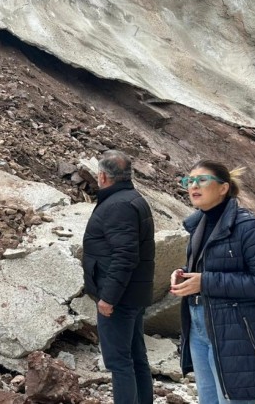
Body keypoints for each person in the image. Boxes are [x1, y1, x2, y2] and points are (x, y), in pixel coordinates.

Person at [170, 161, 255, 403]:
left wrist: (205, 282)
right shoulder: (198, 224)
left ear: (223, 188)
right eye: (189, 181)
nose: (193, 186)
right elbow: (215, 268)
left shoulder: (249, 227)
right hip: (199, 324)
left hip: (235, 329)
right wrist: (185, 273)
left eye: (202, 180)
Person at [83, 150, 156, 404]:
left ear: (102, 176)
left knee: (119, 362)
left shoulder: (118, 205)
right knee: (136, 356)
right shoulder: (131, 199)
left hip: (119, 298)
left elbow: (125, 256)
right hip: (133, 294)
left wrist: (108, 297)